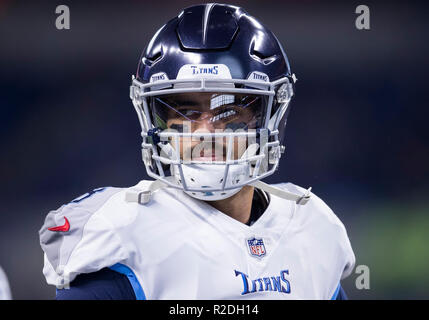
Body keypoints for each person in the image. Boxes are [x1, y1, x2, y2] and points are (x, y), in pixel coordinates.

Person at [39, 3, 355, 300]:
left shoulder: (312, 227)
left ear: (268, 119)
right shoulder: (121, 232)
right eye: (186, 113)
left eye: (228, 112)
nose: (205, 132)